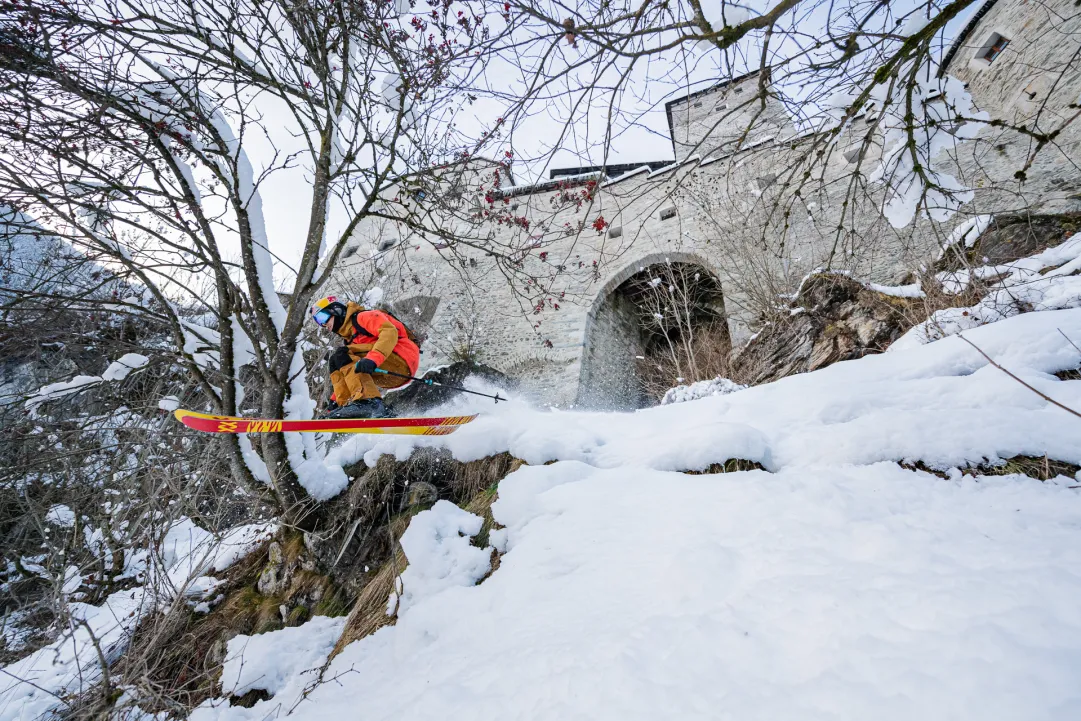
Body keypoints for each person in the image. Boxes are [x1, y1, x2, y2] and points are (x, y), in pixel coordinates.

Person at [309, 295, 420, 419]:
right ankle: (348, 407)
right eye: (319, 322)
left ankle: (370, 402)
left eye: (322, 317)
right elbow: (350, 373)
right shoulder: (350, 340)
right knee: (336, 360)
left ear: (336, 310)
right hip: (389, 375)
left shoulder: (363, 317)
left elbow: (389, 332)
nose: (323, 324)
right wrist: (335, 402)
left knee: (342, 354)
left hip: (402, 358)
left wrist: (373, 359)